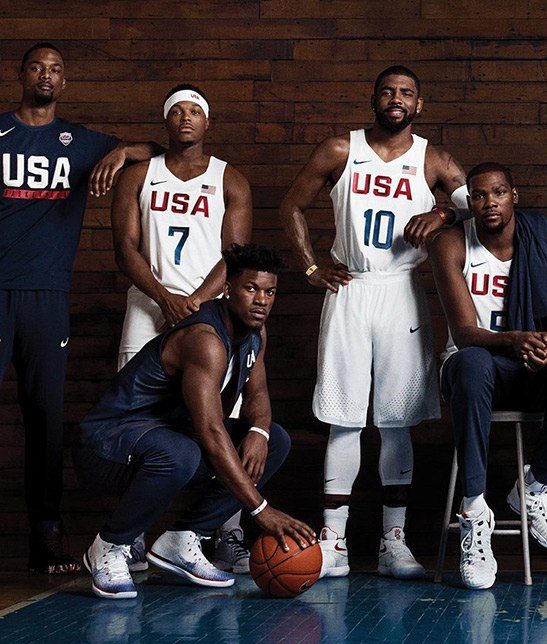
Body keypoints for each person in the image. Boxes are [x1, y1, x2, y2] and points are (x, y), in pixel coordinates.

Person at [280, 65, 469, 579]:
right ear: (373, 99)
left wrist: (446, 215)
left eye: (406, 92)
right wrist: (312, 266)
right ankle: (333, 542)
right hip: (351, 289)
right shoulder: (340, 149)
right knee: (343, 415)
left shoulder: (432, 157)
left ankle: (393, 542)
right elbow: (292, 205)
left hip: (402, 291)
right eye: (387, 91)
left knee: (396, 419)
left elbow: (480, 203)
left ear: (419, 104)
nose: (396, 99)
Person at [0, 42, 161, 573]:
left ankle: (46, 539)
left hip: (47, 298)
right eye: (37, 67)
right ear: (20, 75)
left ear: (64, 82)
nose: (45, 76)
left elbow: (155, 149)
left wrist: (117, 153)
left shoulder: (78, 141)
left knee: (46, 420)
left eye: (55, 70)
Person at [76, 243, 316, 599]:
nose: (262, 300)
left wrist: (259, 430)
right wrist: (261, 511)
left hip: (167, 440)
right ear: (228, 288)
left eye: (269, 291)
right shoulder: (205, 339)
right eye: (251, 289)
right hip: (105, 446)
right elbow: (210, 431)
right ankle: (109, 545)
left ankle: (184, 538)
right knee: (184, 452)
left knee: (275, 440)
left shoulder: (254, 334)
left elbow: (258, 395)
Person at [429, 162, 547, 589]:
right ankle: (474, 510)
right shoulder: (451, 243)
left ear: (514, 196)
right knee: (471, 362)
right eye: (480, 195)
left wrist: (545, 346)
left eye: (499, 193)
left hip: (527, 366)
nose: (490, 203)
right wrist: (516, 339)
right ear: (470, 201)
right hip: (475, 369)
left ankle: (535, 486)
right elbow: (465, 334)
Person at [110, 84, 254, 574]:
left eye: (196, 112)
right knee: (137, 421)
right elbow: (125, 249)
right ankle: (129, 537)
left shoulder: (228, 179)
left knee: (224, 420)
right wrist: (163, 296)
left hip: (209, 311)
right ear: (166, 122)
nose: (187, 119)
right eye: (177, 112)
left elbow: (233, 257)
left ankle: (226, 531)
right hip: (149, 305)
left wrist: (194, 302)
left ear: (207, 123)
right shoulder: (138, 176)